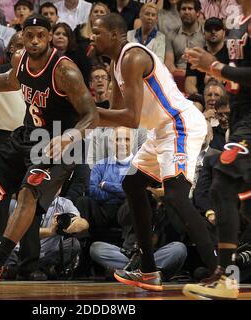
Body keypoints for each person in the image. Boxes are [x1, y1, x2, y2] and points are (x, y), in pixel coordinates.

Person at [0, 14, 98, 296]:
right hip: (28, 137)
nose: (35, 40)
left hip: (59, 145)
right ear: (22, 37)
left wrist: (70, 136)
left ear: (50, 36)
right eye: (30, 36)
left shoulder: (66, 71)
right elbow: (10, 81)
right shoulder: (21, 60)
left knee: (28, 193)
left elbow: (91, 114)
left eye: (41, 35)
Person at [90, 13, 217, 291]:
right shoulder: (116, 63)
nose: (91, 36)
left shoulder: (133, 57)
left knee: (175, 196)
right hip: (160, 130)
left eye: (97, 32)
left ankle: (219, 269)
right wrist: (84, 116)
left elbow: (132, 118)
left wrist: (88, 111)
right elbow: (114, 115)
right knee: (132, 183)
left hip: (178, 123)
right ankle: (148, 270)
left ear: (114, 34)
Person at [182, 0, 251, 300]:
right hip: (240, 117)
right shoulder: (239, 21)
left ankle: (226, 277)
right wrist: (215, 68)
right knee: (245, 203)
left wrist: (215, 66)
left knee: (223, 182)